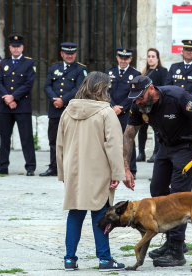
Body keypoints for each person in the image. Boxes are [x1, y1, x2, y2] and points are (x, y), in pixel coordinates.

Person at [123, 75, 192, 267]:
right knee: (157, 190)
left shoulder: (177, 96)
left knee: (178, 196)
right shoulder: (139, 105)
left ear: (151, 89)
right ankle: (170, 240)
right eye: (134, 98)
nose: (137, 101)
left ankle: (176, 250)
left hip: (186, 146)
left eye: (140, 96)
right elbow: (129, 134)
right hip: (165, 146)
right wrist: (126, 168)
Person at [56, 71, 127, 272]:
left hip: (74, 172)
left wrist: (62, 173)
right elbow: (114, 146)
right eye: (108, 86)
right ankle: (104, 259)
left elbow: (59, 145)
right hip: (98, 172)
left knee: (75, 214)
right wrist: (117, 174)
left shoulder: (67, 111)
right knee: (100, 213)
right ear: (102, 88)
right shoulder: (106, 112)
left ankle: (69, 259)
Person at [0, 35, 36, 176]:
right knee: (4, 137)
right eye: (13, 46)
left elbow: (29, 83)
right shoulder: (4, 62)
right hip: (5, 106)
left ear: (22, 48)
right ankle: (3, 166)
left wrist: (13, 97)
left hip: (22, 106)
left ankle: (30, 166)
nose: (16, 49)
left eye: (18, 46)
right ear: (10, 48)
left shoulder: (29, 63)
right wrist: (7, 98)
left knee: (26, 137)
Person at [39, 42, 87, 177]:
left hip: (70, 110)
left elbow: (79, 88)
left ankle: (71, 169)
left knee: (71, 141)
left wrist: (63, 101)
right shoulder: (54, 67)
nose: (69, 56)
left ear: (75, 54)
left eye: (72, 53)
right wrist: (55, 100)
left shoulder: (80, 69)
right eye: (67, 53)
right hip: (55, 110)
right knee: (53, 140)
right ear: (62, 54)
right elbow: (47, 86)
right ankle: (54, 167)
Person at [106, 48, 141, 178]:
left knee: (128, 140)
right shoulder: (109, 73)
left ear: (130, 59)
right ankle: (113, 169)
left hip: (127, 113)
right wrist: (113, 106)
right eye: (121, 57)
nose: (123, 60)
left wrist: (121, 108)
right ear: (117, 58)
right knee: (111, 140)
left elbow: (134, 94)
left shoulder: (135, 74)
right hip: (111, 112)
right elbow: (105, 92)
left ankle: (131, 170)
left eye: (126, 58)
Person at [136, 48, 168, 163]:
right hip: (144, 106)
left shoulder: (162, 71)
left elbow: (163, 88)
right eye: (149, 56)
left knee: (156, 129)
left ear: (157, 59)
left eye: (153, 56)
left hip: (155, 106)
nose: (150, 58)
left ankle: (156, 152)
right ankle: (141, 153)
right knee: (142, 129)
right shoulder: (144, 72)